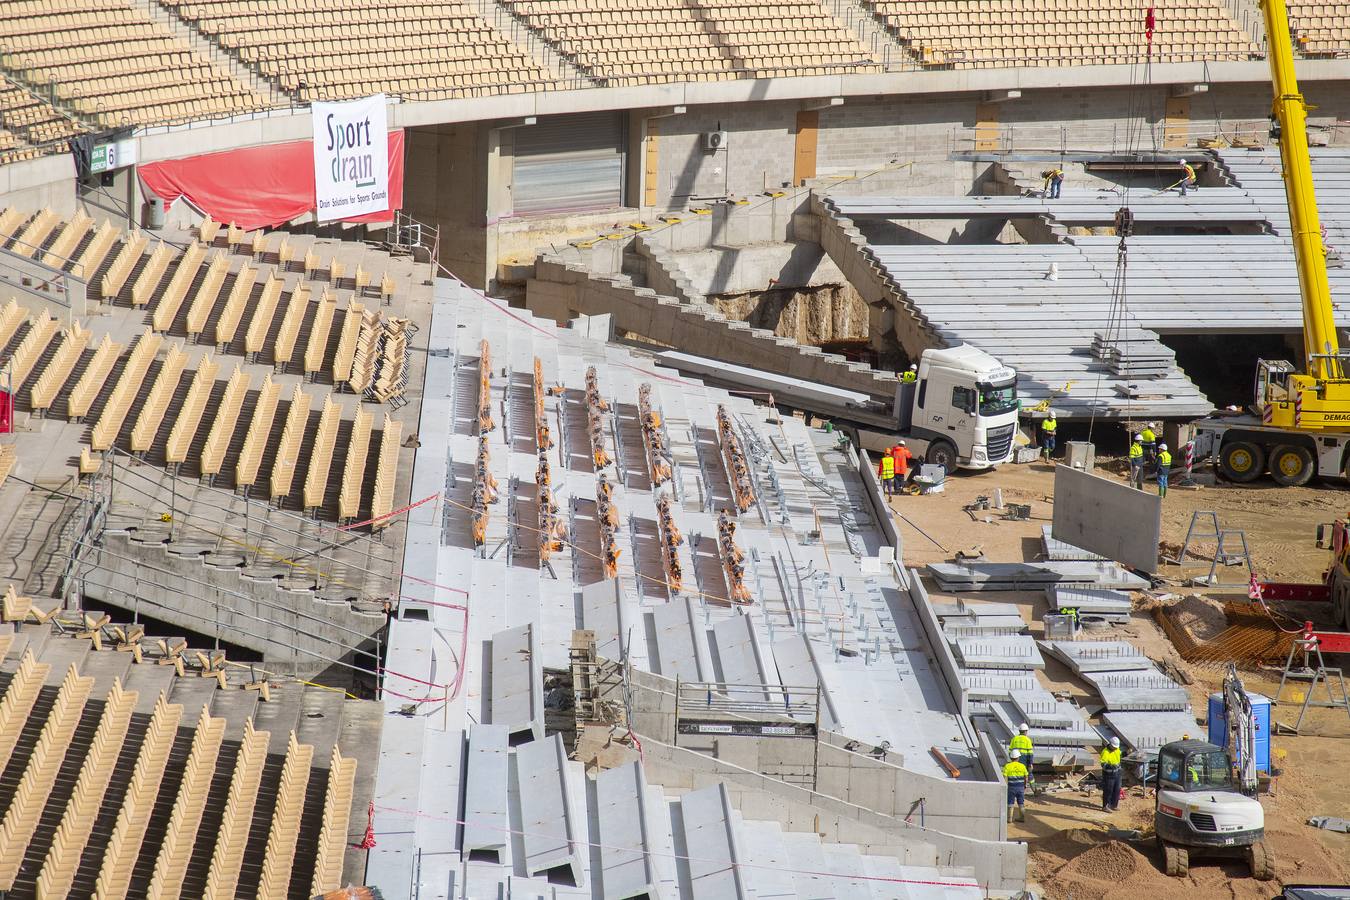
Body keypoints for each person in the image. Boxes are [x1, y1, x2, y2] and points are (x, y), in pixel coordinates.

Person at [1004, 749, 1028, 822]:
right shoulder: (1022, 766)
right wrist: (1025, 785)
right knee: (1021, 803)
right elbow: (1026, 777)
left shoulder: (1007, 766)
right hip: (1020, 787)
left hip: (1011, 787)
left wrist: (1006, 786)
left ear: (1011, 758)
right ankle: (1022, 818)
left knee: (1010, 802)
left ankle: (1009, 819)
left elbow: (1005, 777)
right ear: (1018, 758)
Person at [1100, 737, 1122, 812]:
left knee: (1117, 790)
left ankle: (1113, 805)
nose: (1115, 748)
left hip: (1117, 773)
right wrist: (1111, 766)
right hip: (1109, 775)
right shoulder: (1105, 752)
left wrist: (1127, 753)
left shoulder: (1117, 750)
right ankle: (1105, 806)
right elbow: (1103, 764)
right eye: (1114, 747)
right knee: (1108, 790)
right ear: (1110, 745)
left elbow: (1120, 755)